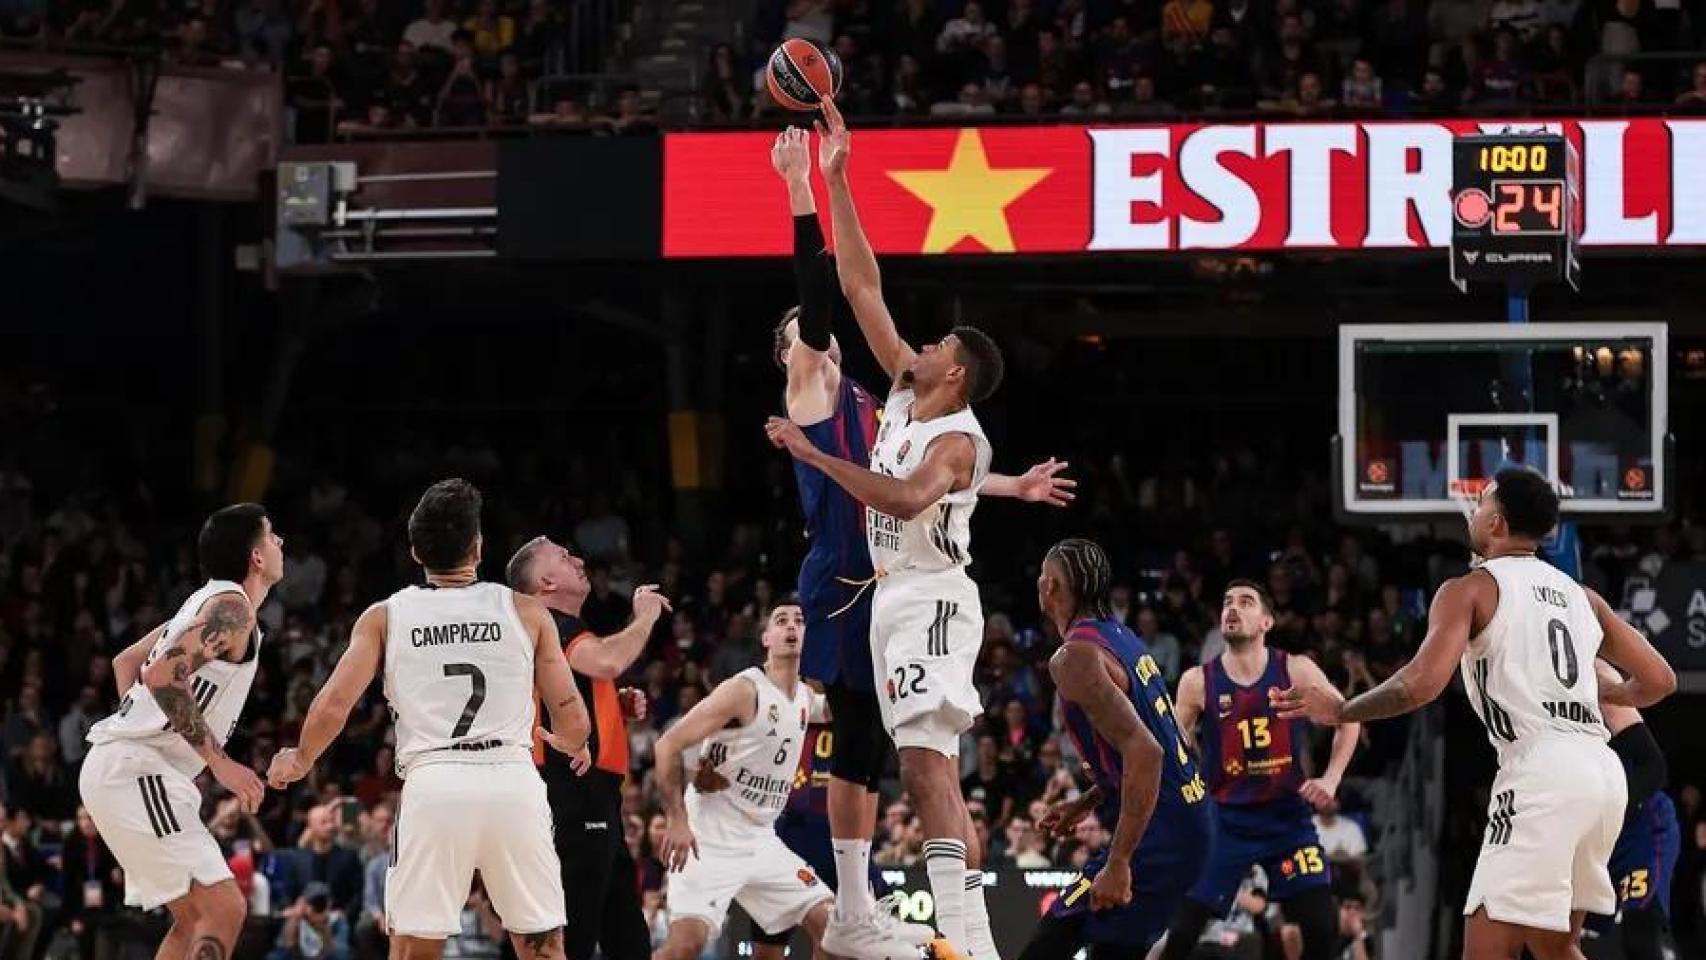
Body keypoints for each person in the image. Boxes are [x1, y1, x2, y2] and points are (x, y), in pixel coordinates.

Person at [765, 124, 1073, 960]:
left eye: (938, 346)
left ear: (958, 375)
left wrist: (813, 453)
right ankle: (919, 922)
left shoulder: (959, 440)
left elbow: (904, 498)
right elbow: (861, 286)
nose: (922, 344)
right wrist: (838, 180)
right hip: (881, 594)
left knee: (926, 765)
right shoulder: (904, 393)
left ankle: (969, 939)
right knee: (896, 758)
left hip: (932, 594)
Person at [1277, 467, 1679, 960]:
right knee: (1557, 947)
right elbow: (1660, 681)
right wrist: (1598, 698)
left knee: (1487, 948)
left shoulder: (1469, 589)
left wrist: (1343, 709)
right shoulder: (1585, 598)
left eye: (1484, 501)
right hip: (1601, 772)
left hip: (1541, 771)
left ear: (1497, 524)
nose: (1476, 508)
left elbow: (1417, 686)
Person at [267, 479, 594, 960]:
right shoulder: (527, 612)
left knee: (413, 949)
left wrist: (299, 758)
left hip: (436, 783)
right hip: (512, 782)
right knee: (543, 947)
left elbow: (333, 705)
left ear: (416, 551)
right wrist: (570, 741)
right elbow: (572, 718)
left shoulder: (384, 616)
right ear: (478, 549)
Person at [79, 503, 280, 960]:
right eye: (272, 537)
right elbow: (162, 675)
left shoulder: (203, 603)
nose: (280, 544)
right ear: (255, 557)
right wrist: (221, 764)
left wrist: (143, 721)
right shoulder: (232, 607)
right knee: (225, 908)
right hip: (134, 769)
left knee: (195, 920)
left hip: (130, 767)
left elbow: (125, 663)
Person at [1017, 539, 1211, 960]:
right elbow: (1155, 741)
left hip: (1160, 832)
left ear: (1050, 587)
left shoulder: (1073, 657)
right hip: (1185, 820)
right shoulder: (1120, 637)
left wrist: (1120, 860)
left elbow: (1147, 754)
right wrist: (1090, 797)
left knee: (1046, 946)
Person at [1157, 580, 1362, 960]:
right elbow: (1172, 749)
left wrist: (1331, 779)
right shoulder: (1196, 681)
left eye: (1245, 602)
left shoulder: (1297, 669)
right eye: (1226, 602)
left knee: (1321, 926)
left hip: (1286, 819)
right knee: (1182, 931)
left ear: (1267, 621)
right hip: (1223, 821)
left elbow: (1349, 718)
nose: (1232, 609)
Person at [505, 536, 667, 960]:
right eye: (563, 556)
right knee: (573, 936)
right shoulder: (553, 624)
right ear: (544, 581)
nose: (578, 560)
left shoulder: (552, 631)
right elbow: (607, 661)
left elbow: (575, 686)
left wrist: (612, 704)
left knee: (627, 940)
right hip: (572, 791)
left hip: (593, 797)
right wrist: (644, 617)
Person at [649, 602, 836, 960]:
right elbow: (667, 744)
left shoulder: (805, 698)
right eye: (781, 621)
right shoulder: (744, 690)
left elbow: (841, 709)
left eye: (800, 620)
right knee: (685, 945)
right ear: (767, 638)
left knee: (833, 932)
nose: (792, 626)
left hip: (761, 839)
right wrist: (676, 818)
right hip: (709, 834)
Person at [1583, 659, 1682, 960]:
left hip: (1636, 819)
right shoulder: (1517, 678)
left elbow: (1652, 769)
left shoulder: (1591, 669)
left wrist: (1609, 817)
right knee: (1566, 938)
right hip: (1581, 828)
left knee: (1641, 927)